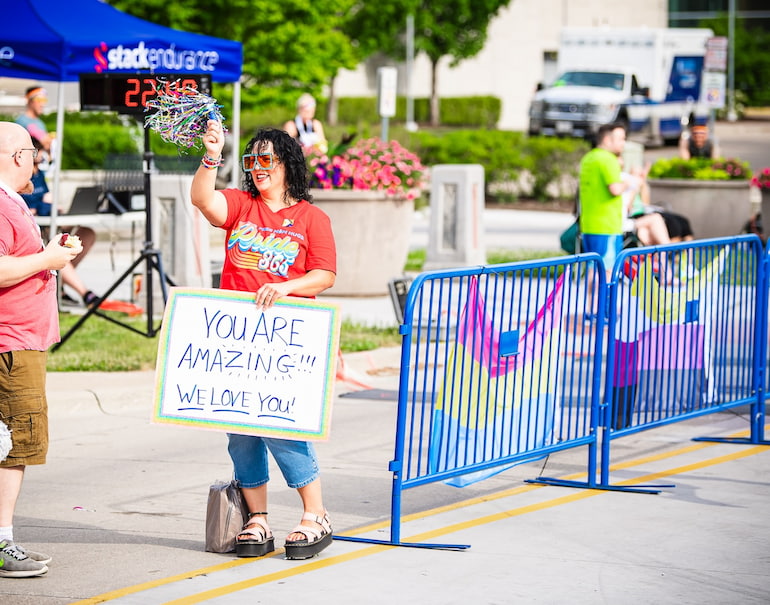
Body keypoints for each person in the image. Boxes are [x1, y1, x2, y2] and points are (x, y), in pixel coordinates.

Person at [190, 124, 336, 560]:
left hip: (285, 341)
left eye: (266, 159)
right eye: (251, 160)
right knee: (241, 431)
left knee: (282, 428)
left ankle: (316, 514)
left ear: (288, 164)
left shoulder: (312, 218)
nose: (257, 168)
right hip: (239, 338)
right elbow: (203, 201)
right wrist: (212, 155)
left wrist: (287, 286)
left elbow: (325, 274)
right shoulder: (241, 206)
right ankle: (258, 518)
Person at [0, 121, 83, 578]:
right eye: (33, 152)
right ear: (17, 157)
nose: (39, 159)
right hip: (11, 345)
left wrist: (49, 254)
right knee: (16, 446)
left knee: (8, 442)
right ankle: (3, 542)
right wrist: (48, 260)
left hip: (17, 342)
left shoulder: (12, 202)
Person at [17, 88, 98, 307]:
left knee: (86, 234)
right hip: (35, 227)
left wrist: (57, 209)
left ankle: (58, 286)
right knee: (58, 244)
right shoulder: (19, 176)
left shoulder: (39, 174)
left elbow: (47, 199)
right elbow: (27, 207)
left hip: (46, 219)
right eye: (36, 152)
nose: (41, 155)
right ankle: (85, 293)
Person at [579, 123, 641, 274]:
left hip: (588, 224)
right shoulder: (608, 159)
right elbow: (615, 189)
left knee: (593, 269)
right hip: (607, 225)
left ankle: (592, 299)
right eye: (620, 139)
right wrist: (631, 181)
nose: (623, 143)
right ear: (607, 140)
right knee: (607, 271)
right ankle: (604, 299)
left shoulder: (589, 157)